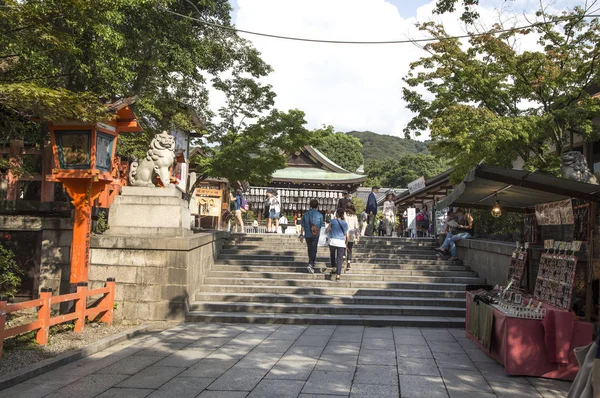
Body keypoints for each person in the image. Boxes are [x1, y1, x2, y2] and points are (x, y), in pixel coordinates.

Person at [300, 199, 324, 274]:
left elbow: (302, 225)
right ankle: (311, 264)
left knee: (310, 248)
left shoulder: (306, 214)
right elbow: (320, 226)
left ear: (310, 205)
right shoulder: (320, 215)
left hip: (307, 233)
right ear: (317, 206)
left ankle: (311, 263)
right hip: (315, 234)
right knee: (314, 249)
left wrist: (301, 235)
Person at [326, 208, 349, 282]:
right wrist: (346, 243)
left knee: (332, 255)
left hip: (332, 241)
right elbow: (347, 235)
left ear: (337, 214)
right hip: (341, 242)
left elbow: (327, 230)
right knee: (339, 259)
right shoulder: (345, 223)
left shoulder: (332, 221)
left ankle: (333, 268)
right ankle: (338, 276)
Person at [344, 203, 360, 271]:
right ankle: (348, 263)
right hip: (352, 233)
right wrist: (358, 236)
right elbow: (356, 227)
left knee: (343, 247)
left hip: (344, 233)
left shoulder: (344, 214)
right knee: (349, 249)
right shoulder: (354, 216)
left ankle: (343, 256)